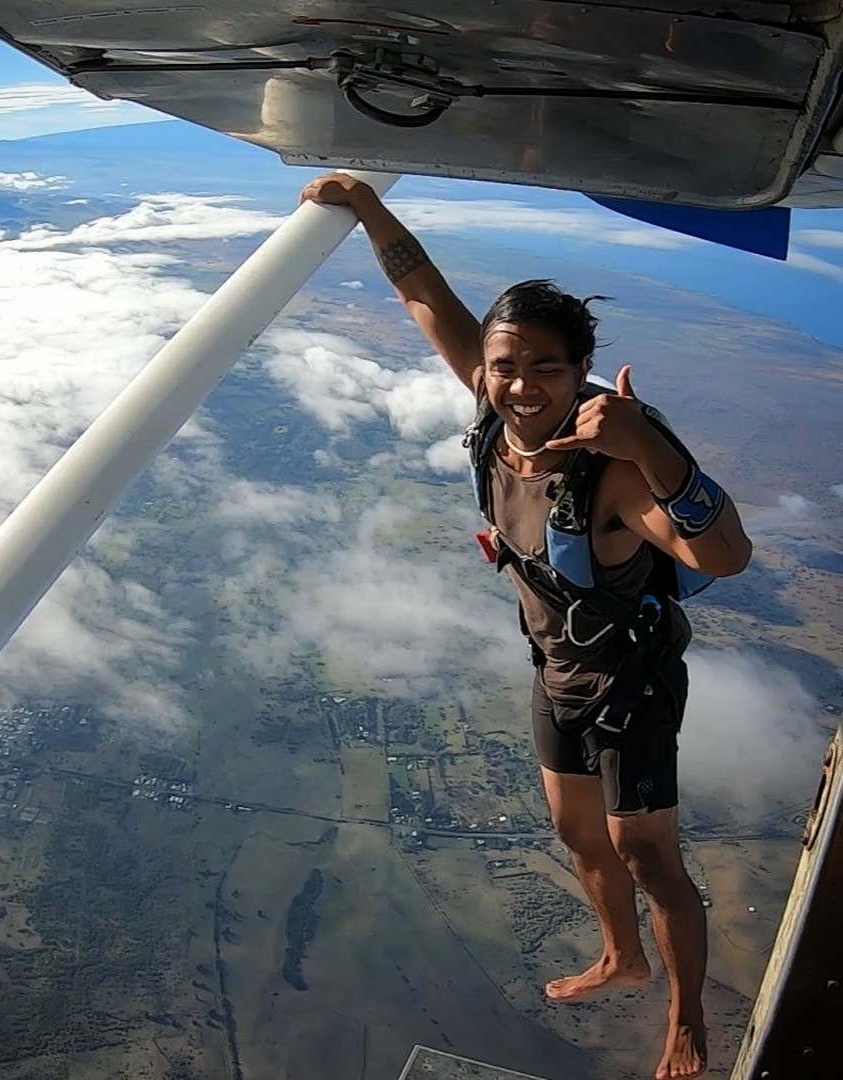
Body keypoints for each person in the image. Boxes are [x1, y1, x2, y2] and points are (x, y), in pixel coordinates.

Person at [300, 173, 752, 1080]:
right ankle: (622, 956)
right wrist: (364, 201)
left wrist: (647, 446)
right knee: (579, 834)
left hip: (630, 682)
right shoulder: (494, 401)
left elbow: (725, 557)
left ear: (581, 365)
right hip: (555, 670)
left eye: (545, 367)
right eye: (506, 365)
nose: (518, 384)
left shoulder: (613, 469)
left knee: (645, 852)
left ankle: (687, 1017)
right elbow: (425, 293)